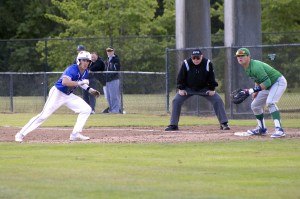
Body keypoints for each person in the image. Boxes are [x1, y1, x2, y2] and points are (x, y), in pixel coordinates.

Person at [15, 51, 100, 142]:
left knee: (86, 109)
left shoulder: (86, 71)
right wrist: (80, 83)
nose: (86, 63)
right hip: (57, 93)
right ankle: (20, 134)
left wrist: (90, 90)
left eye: (88, 61)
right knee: (43, 115)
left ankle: (75, 134)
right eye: (84, 60)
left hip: (68, 95)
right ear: (79, 61)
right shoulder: (72, 69)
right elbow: (65, 82)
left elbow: (81, 83)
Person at [165, 49, 230, 131]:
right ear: (191, 57)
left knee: (218, 100)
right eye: (193, 58)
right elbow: (180, 77)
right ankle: (173, 125)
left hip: (204, 88)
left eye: (198, 58)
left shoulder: (207, 63)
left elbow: (211, 77)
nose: (195, 60)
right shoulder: (186, 63)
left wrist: (212, 89)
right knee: (176, 100)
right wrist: (181, 88)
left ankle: (224, 123)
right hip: (188, 88)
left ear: (201, 57)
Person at [235, 48, 287, 138]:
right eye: (238, 56)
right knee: (255, 105)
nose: (240, 58)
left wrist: (251, 90)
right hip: (268, 85)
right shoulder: (247, 67)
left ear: (248, 57)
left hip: (277, 82)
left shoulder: (256, 66)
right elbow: (258, 79)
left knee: (270, 102)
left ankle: (279, 130)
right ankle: (261, 129)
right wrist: (256, 91)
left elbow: (267, 82)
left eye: (242, 55)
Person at [104, 46, 122, 113]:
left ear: (113, 51)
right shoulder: (107, 60)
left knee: (114, 95)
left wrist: (110, 76)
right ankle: (111, 109)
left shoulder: (115, 59)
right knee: (109, 96)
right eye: (108, 51)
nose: (109, 52)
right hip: (107, 80)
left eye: (110, 51)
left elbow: (116, 70)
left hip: (114, 79)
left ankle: (116, 110)